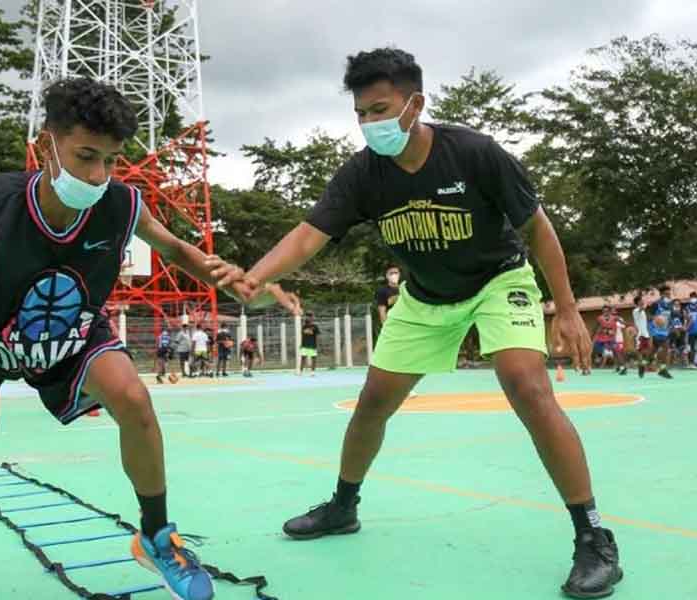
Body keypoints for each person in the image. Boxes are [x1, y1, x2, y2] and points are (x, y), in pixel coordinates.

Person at [0, 77, 286, 600]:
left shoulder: (121, 205)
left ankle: (155, 536)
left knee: (132, 397)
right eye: (85, 156)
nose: (98, 174)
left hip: (70, 335)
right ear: (46, 145)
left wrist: (241, 282)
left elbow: (175, 249)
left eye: (110, 160)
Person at [217, 48, 620, 597]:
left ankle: (593, 537)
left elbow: (538, 228)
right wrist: (256, 276)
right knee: (373, 401)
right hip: (425, 297)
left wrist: (568, 309)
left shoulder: (475, 153)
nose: (370, 124)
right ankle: (343, 506)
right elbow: (310, 234)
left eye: (380, 109)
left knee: (527, 385)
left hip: (498, 282)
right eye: (360, 114)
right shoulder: (364, 174)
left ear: (416, 104)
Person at [647, 287, 674, 378]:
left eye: (669, 294)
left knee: (654, 350)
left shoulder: (670, 305)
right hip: (656, 329)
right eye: (666, 294)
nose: (668, 295)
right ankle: (662, 369)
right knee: (666, 347)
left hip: (665, 329)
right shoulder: (656, 304)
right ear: (662, 294)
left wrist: (670, 326)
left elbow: (669, 317)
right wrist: (656, 319)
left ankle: (644, 363)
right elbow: (649, 316)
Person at [373, 265, 400, 346]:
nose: (394, 275)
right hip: (392, 324)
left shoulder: (404, 288)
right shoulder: (382, 291)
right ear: (387, 276)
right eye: (391, 273)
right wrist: (386, 328)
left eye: (396, 273)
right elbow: (382, 311)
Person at [632, 294, 652, 378]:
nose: (642, 301)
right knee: (639, 351)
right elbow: (642, 308)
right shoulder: (636, 310)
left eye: (642, 300)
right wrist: (646, 303)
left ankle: (643, 365)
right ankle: (641, 367)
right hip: (640, 334)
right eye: (641, 300)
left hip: (645, 333)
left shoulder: (642, 311)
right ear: (637, 302)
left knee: (647, 351)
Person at [685, 293, 697, 368]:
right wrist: (686, 328)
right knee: (691, 347)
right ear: (690, 298)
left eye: (695, 297)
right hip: (691, 331)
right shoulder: (687, 307)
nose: (693, 298)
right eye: (692, 297)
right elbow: (687, 319)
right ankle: (691, 363)